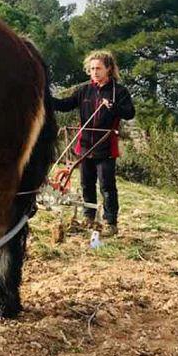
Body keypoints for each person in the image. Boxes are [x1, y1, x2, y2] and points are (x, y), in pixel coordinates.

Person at [52, 50, 135, 236]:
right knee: (86, 184)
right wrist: (45, 98)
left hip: (105, 146)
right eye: (91, 69)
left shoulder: (118, 91)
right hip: (85, 145)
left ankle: (110, 223)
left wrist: (113, 107)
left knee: (107, 186)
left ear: (109, 69)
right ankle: (88, 218)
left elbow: (129, 113)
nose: (94, 72)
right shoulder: (85, 90)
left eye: (98, 68)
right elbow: (65, 105)